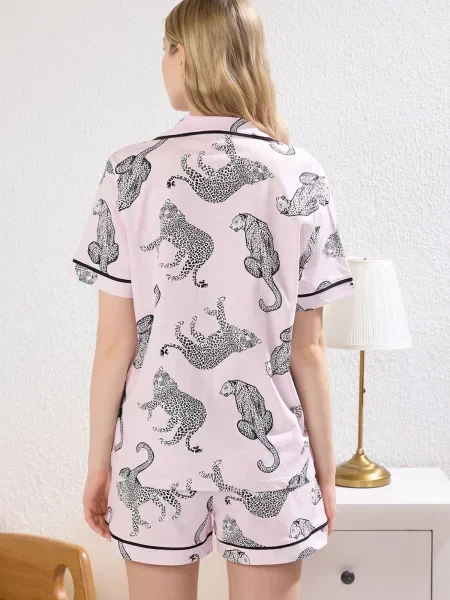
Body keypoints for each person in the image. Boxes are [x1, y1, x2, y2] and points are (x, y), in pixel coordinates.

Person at [68, 1, 355, 598]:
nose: (162, 63)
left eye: (167, 48)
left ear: (188, 55)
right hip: (269, 456)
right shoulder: (298, 173)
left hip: (156, 453)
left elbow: (115, 345)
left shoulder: (129, 172)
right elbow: (309, 352)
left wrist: (99, 464)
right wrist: (325, 476)